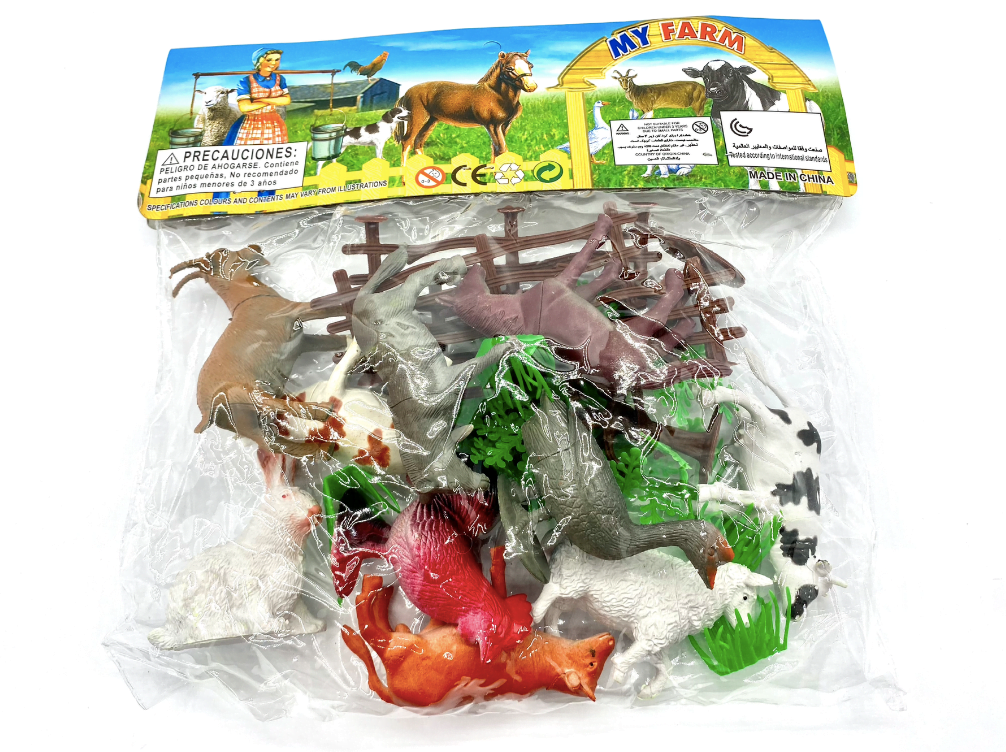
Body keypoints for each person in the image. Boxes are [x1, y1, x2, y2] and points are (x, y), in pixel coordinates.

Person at [223, 48, 291, 146]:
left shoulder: (280, 79)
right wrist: (275, 100)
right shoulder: (246, 81)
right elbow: (245, 107)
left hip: (274, 122)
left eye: (277, 59)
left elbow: (286, 100)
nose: (273, 63)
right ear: (259, 61)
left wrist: (260, 100)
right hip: (252, 122)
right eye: (269, 60)